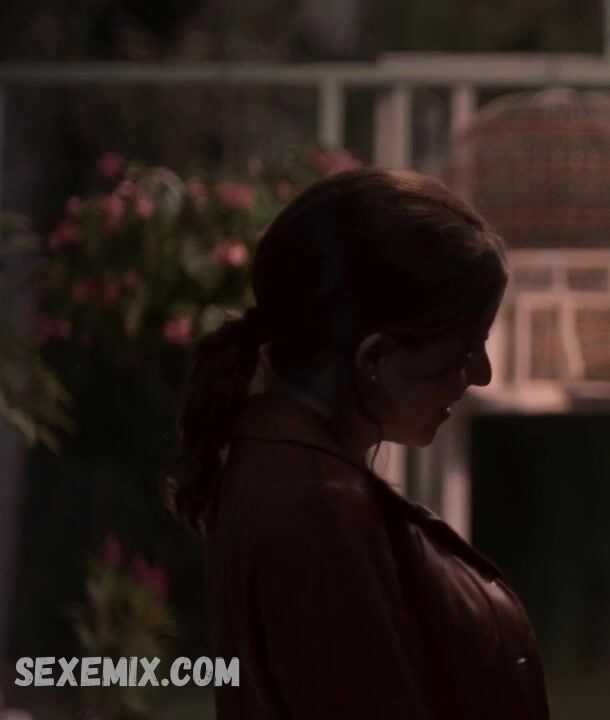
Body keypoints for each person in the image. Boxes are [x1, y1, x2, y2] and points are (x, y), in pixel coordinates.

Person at [165, 168, 549, 720]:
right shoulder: (319, 507)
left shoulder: (279, 469)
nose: (482, 374)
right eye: (466, 348)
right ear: (375, 357)